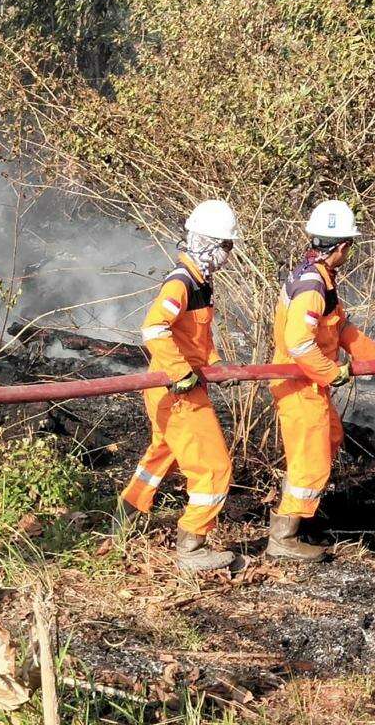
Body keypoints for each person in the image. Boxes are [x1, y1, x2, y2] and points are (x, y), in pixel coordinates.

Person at [267, 200, 375, 561]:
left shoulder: (319, 277)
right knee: (311, 461)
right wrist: (333, 372)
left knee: (329, 440)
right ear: (343, 246)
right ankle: (283, 537)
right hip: (300, 384)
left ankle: (299, 517)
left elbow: (339, 328)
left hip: (310, 383)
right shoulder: (312, 286)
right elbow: (299, 343)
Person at [114, 200, 241, 572]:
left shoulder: (200, 282)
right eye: (225, 247)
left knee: (162, 455)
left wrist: (215, 365)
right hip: (179, 391)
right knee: (214, 467)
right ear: (208, 244)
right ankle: (192, 544)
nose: (228, 255)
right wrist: (182, 372)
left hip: (175, 387)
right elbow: (153, 328)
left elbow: (195, 336)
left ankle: (124, 515)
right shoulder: (181, 281)